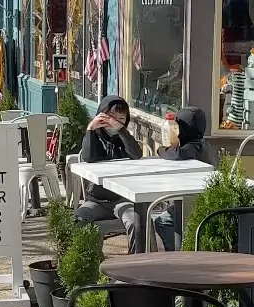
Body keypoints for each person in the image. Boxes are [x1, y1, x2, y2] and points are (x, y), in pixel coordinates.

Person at [73, 95, 144, 251]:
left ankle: (137, 263)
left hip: (123, 198)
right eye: (111, 117)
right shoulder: (94, 138)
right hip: (97, 200)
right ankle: (91, 264)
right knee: (78, 219)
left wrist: (122, 131)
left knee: (137, 222)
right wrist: (91, 129)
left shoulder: (124, 139)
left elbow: (136, 154)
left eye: (121, 118)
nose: (114, 122)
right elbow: (89, 157)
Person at [150, 107, 211, 250]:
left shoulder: (195, 148)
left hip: (196, 202)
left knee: (163, 221)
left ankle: (177, 254)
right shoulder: (200, 144)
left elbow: (177, 154)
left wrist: (161, 150)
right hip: (193, 198)